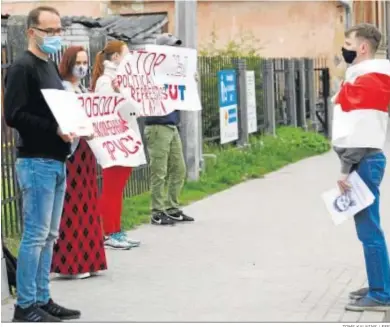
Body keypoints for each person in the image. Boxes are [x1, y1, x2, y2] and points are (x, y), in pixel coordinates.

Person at [4, 6, 80, 322]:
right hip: (35, 161)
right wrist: (55, 129)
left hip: (56, 158)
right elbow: (14, 115)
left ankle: (41, 297)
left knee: (50, 235)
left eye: (59, 30)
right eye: (50, 31)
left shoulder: (48, 65)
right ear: (32, 32)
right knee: (35, 235)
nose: (56, 36)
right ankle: (24, 305)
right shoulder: (22, 67)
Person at [332, 23, 390, 311]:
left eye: (348, 42)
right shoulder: (369, 76)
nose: (344, 48)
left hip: (363, 160)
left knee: (369, 231)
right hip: (368, 159)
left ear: (362, 47)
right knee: (370, 229)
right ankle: (380, 284)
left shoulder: (367, 78)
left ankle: (381, 294)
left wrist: (344, 169)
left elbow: (360, 129)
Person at [51, 46, 108, 279]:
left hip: (86, 152)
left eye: (85, 62)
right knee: (73, 205)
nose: (83, 67)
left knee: (88, 205)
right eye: (78, 62)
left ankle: (89, 259)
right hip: (72, 153)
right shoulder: (64, 89)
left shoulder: (81, 88)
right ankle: (71, 264)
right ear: (68, 63)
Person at [90, 40, 143, 250]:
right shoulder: (106, 81)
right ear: (115, 58)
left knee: (118, 188)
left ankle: (116, 229)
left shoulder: (121, 80)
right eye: (126, 54)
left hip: (125, 139)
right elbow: (107, 113)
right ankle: (108, 232)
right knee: (112, 188)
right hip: (115, 142)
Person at [145, 33, 195, 226]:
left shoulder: (174, 71)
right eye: (171, 47)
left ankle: (172, 207)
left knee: (179, 169)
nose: (175, 50)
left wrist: (189, 81)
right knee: (159, 170)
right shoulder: (152, 71)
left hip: (171, 123)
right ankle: (157, 211)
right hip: (158, 124)